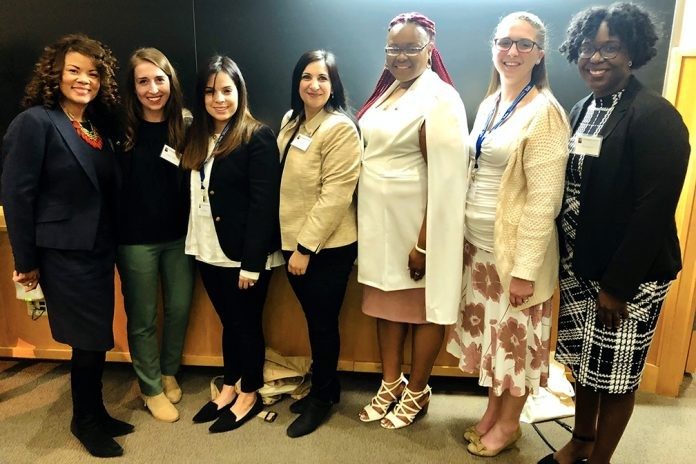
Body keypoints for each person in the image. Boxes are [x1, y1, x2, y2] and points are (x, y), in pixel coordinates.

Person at [540, 4, 690, 464]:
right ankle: (581, 440)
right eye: (588, 47)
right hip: (580, 265)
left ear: (632, 53)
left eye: (610, 47)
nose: (596, 58)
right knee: (586, 366)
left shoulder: (655, 116)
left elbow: (653, 210)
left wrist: (617, 285)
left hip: (628, 279)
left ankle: (600, 458)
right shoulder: (585, 108)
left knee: (617, 374)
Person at [445, 12, 570, 457]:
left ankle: (509, 425)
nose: (511, 52)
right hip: (481, 249)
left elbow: (543, 201)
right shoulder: (491, 102)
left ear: (539, 54)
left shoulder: (545, 114)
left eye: (523, 44)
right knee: (495, 343)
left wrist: (525, 271)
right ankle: (493, 414)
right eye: (504, 42)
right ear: (493, 48)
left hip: (517, 257)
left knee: (516, 346)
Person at [1, 34, 130, 457]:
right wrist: (26, 262)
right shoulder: (35, 121)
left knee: (92, 338)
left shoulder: (95, 127)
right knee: (87, 338)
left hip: (97, 251)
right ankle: (84, 420)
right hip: (61, 253)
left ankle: (95, 411)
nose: (84, 80)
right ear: (54, 74)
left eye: (93, 73)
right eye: (74, 70)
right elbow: (18, 195)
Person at [356, 12, 468, 429]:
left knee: (422, 313)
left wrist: (424, 244)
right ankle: (390, 383)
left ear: (430, 49)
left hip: (415, 232)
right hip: (377, 230)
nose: (400, 56)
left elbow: (447, 180)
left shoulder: (440, 99)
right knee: (386, 309)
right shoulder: (389, 92)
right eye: (393, 48)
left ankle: (418, 389)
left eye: (410, 47)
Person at [181, 55, 281, 433]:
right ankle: (230, 384)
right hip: (207, 246)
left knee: (247, 324)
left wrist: (252, 263)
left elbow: (263, 203)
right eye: (210, 91)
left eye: (226, 90)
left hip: (244, 253)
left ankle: (250, 392)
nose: (218, 99)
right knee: (228, 322)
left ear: (239, 91)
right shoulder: (197, 137)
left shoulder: (257, 135)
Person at [277, 50, 361, 437]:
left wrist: (305, 249)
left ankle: (323, 399)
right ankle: (328, 385)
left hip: (324, 249)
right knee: (315, 321)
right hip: (292, 243)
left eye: (323, 78)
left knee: (323, 325)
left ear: (334, 85)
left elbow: (336, 195)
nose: (314, 85)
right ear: (297, 81)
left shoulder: (340, 128)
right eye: (307, 77)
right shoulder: (291, 121)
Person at [117, 47, 194, 423]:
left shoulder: (186, 124)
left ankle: (169, 372)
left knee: (179, 309)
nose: (152, 89)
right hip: (134, 241)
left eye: (159, 79)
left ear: (170, 81)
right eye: (143, 81)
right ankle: (150, 387)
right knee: (143, 316)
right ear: (133, 87)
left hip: (180, 237)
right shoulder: (120, 128)